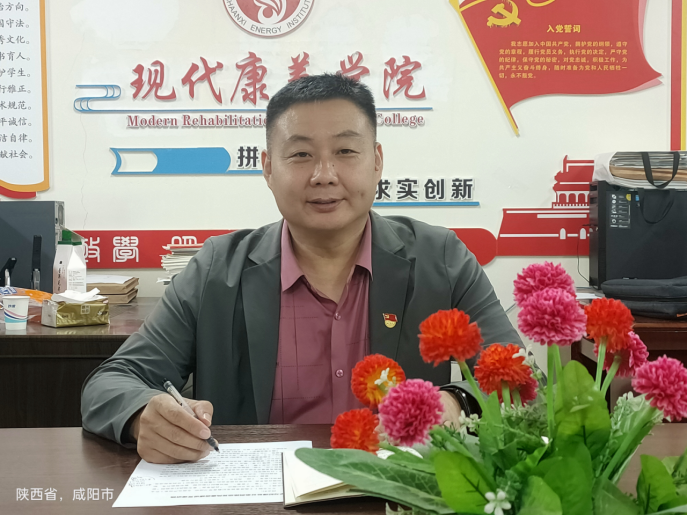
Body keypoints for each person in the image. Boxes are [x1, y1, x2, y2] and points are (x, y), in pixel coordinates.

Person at [81, 73, 522, 464]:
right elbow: (111, 383)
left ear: (377, 161)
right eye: (300, 155)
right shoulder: (217, 269)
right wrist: (143, 416)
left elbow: (521, 379)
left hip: (398, 496)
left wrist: (457, 402)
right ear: (268, 168)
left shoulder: (440, 258)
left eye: (345, 151)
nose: (324, 174)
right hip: (259, 496)